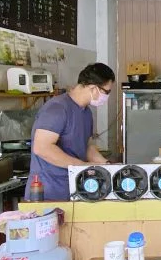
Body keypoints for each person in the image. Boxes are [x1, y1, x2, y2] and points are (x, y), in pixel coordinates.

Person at [25, 62, 115, 201]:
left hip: (73, 187)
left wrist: (108, 167)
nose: (107, 97)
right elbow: (42, 148)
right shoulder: (57, 109)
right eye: (107, 92)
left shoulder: (86, 113)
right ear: (93, 88)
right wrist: (82, 166)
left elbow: (86, 146)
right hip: (49, 190)